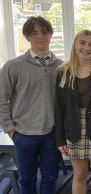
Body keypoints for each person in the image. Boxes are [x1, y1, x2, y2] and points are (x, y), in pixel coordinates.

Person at [0, 16, 63, 194]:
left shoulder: (62, 67)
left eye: (44, 32)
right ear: (27, 37)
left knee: (50, 178)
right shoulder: (13, 66)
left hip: (52, 134)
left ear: (51, 35)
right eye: (34, 33)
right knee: (27, 180)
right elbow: (1, 98)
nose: (40, 36)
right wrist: (10, 129)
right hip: (24, 134)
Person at [55, 30, 91, 194]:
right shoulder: (63, 72)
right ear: (74, 45)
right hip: (74, 128)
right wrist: (60, 138)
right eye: (82, 43)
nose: (86, 48)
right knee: (79, 175)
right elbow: (59, 107)